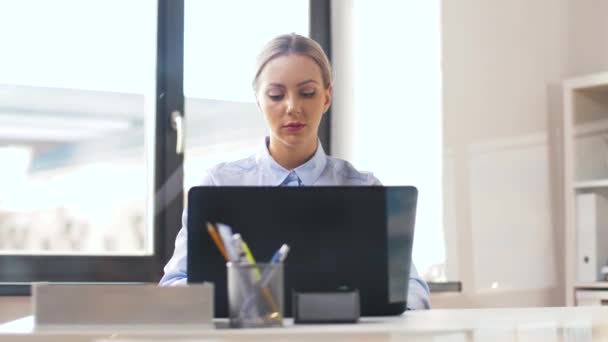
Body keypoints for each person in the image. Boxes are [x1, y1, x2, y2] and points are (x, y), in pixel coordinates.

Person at [159, 33, 431, 310]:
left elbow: (410, 287)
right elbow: (175, 281)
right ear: (258, 101)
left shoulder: (364, 189)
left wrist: (386, 312)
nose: (292, 107)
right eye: (276, 95)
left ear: (326, 97)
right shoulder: (218, 184)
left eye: (307, 93)